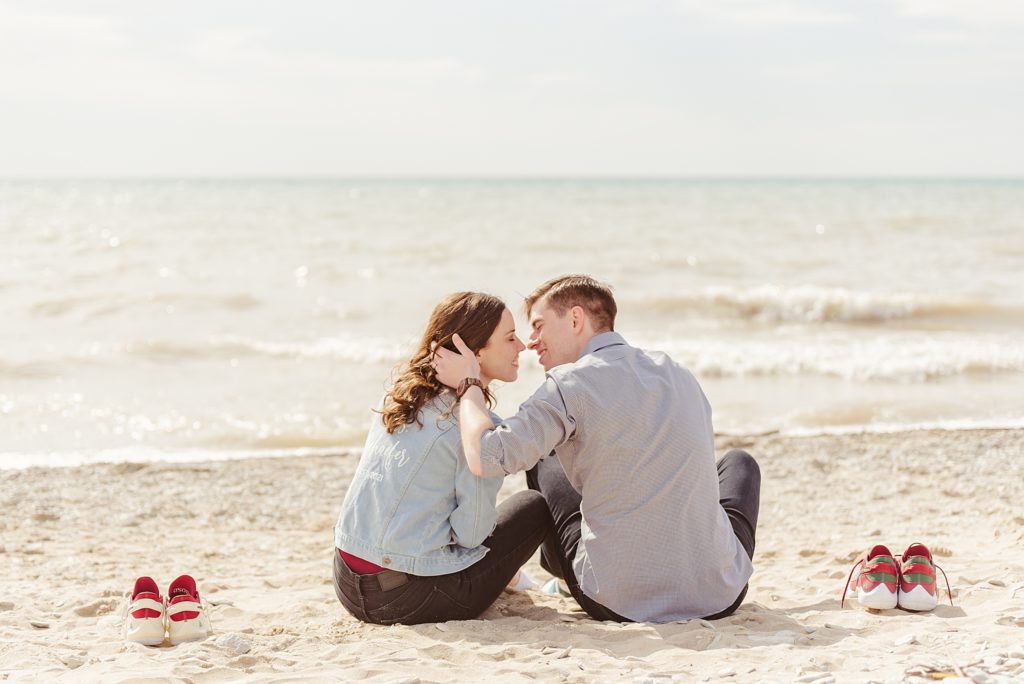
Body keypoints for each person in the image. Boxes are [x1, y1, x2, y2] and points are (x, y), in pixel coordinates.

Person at [432, 275, 761, 623]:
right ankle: (708, 564)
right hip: (720, 596)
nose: (531, 343)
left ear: (576, 319)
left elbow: (488, 455)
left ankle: (559, 574)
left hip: (616, 601)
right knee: (739, 463)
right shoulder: (678, 372)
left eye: (539, 326)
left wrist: (468, 383)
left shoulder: (568, 384)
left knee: (545, 458)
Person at [332, 292, 552, 625]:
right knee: (532, 507)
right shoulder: (479, 432)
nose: (521, 347)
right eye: (509, 338)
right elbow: (472, 535)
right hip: (407, 599)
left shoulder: (399, 395)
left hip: (347, 583)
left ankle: (512, 579)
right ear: (473, 353)